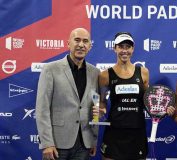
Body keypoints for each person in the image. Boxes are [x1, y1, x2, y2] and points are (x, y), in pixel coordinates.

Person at [35, 28, 99, 160]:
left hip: (84, 144)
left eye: (85, 41)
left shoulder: (95, 73)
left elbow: (95, 106)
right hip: (57, 145)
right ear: (68, 43)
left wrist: (93, 139)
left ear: (90, 47)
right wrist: (47, 143)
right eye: (77, 40)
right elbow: (42, 109)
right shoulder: (50, 69)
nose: (81, 44)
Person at [97, 32, 150, 160]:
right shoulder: (105, 75)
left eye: (128, 47)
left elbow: (147, 101)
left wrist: (158, 109)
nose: (124, 50)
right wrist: (100, 110)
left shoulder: (143, 72)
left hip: (137, 131)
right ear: (115, 48)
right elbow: (101, 101)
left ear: (133, 48)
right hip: (114, 132)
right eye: (121, 47)